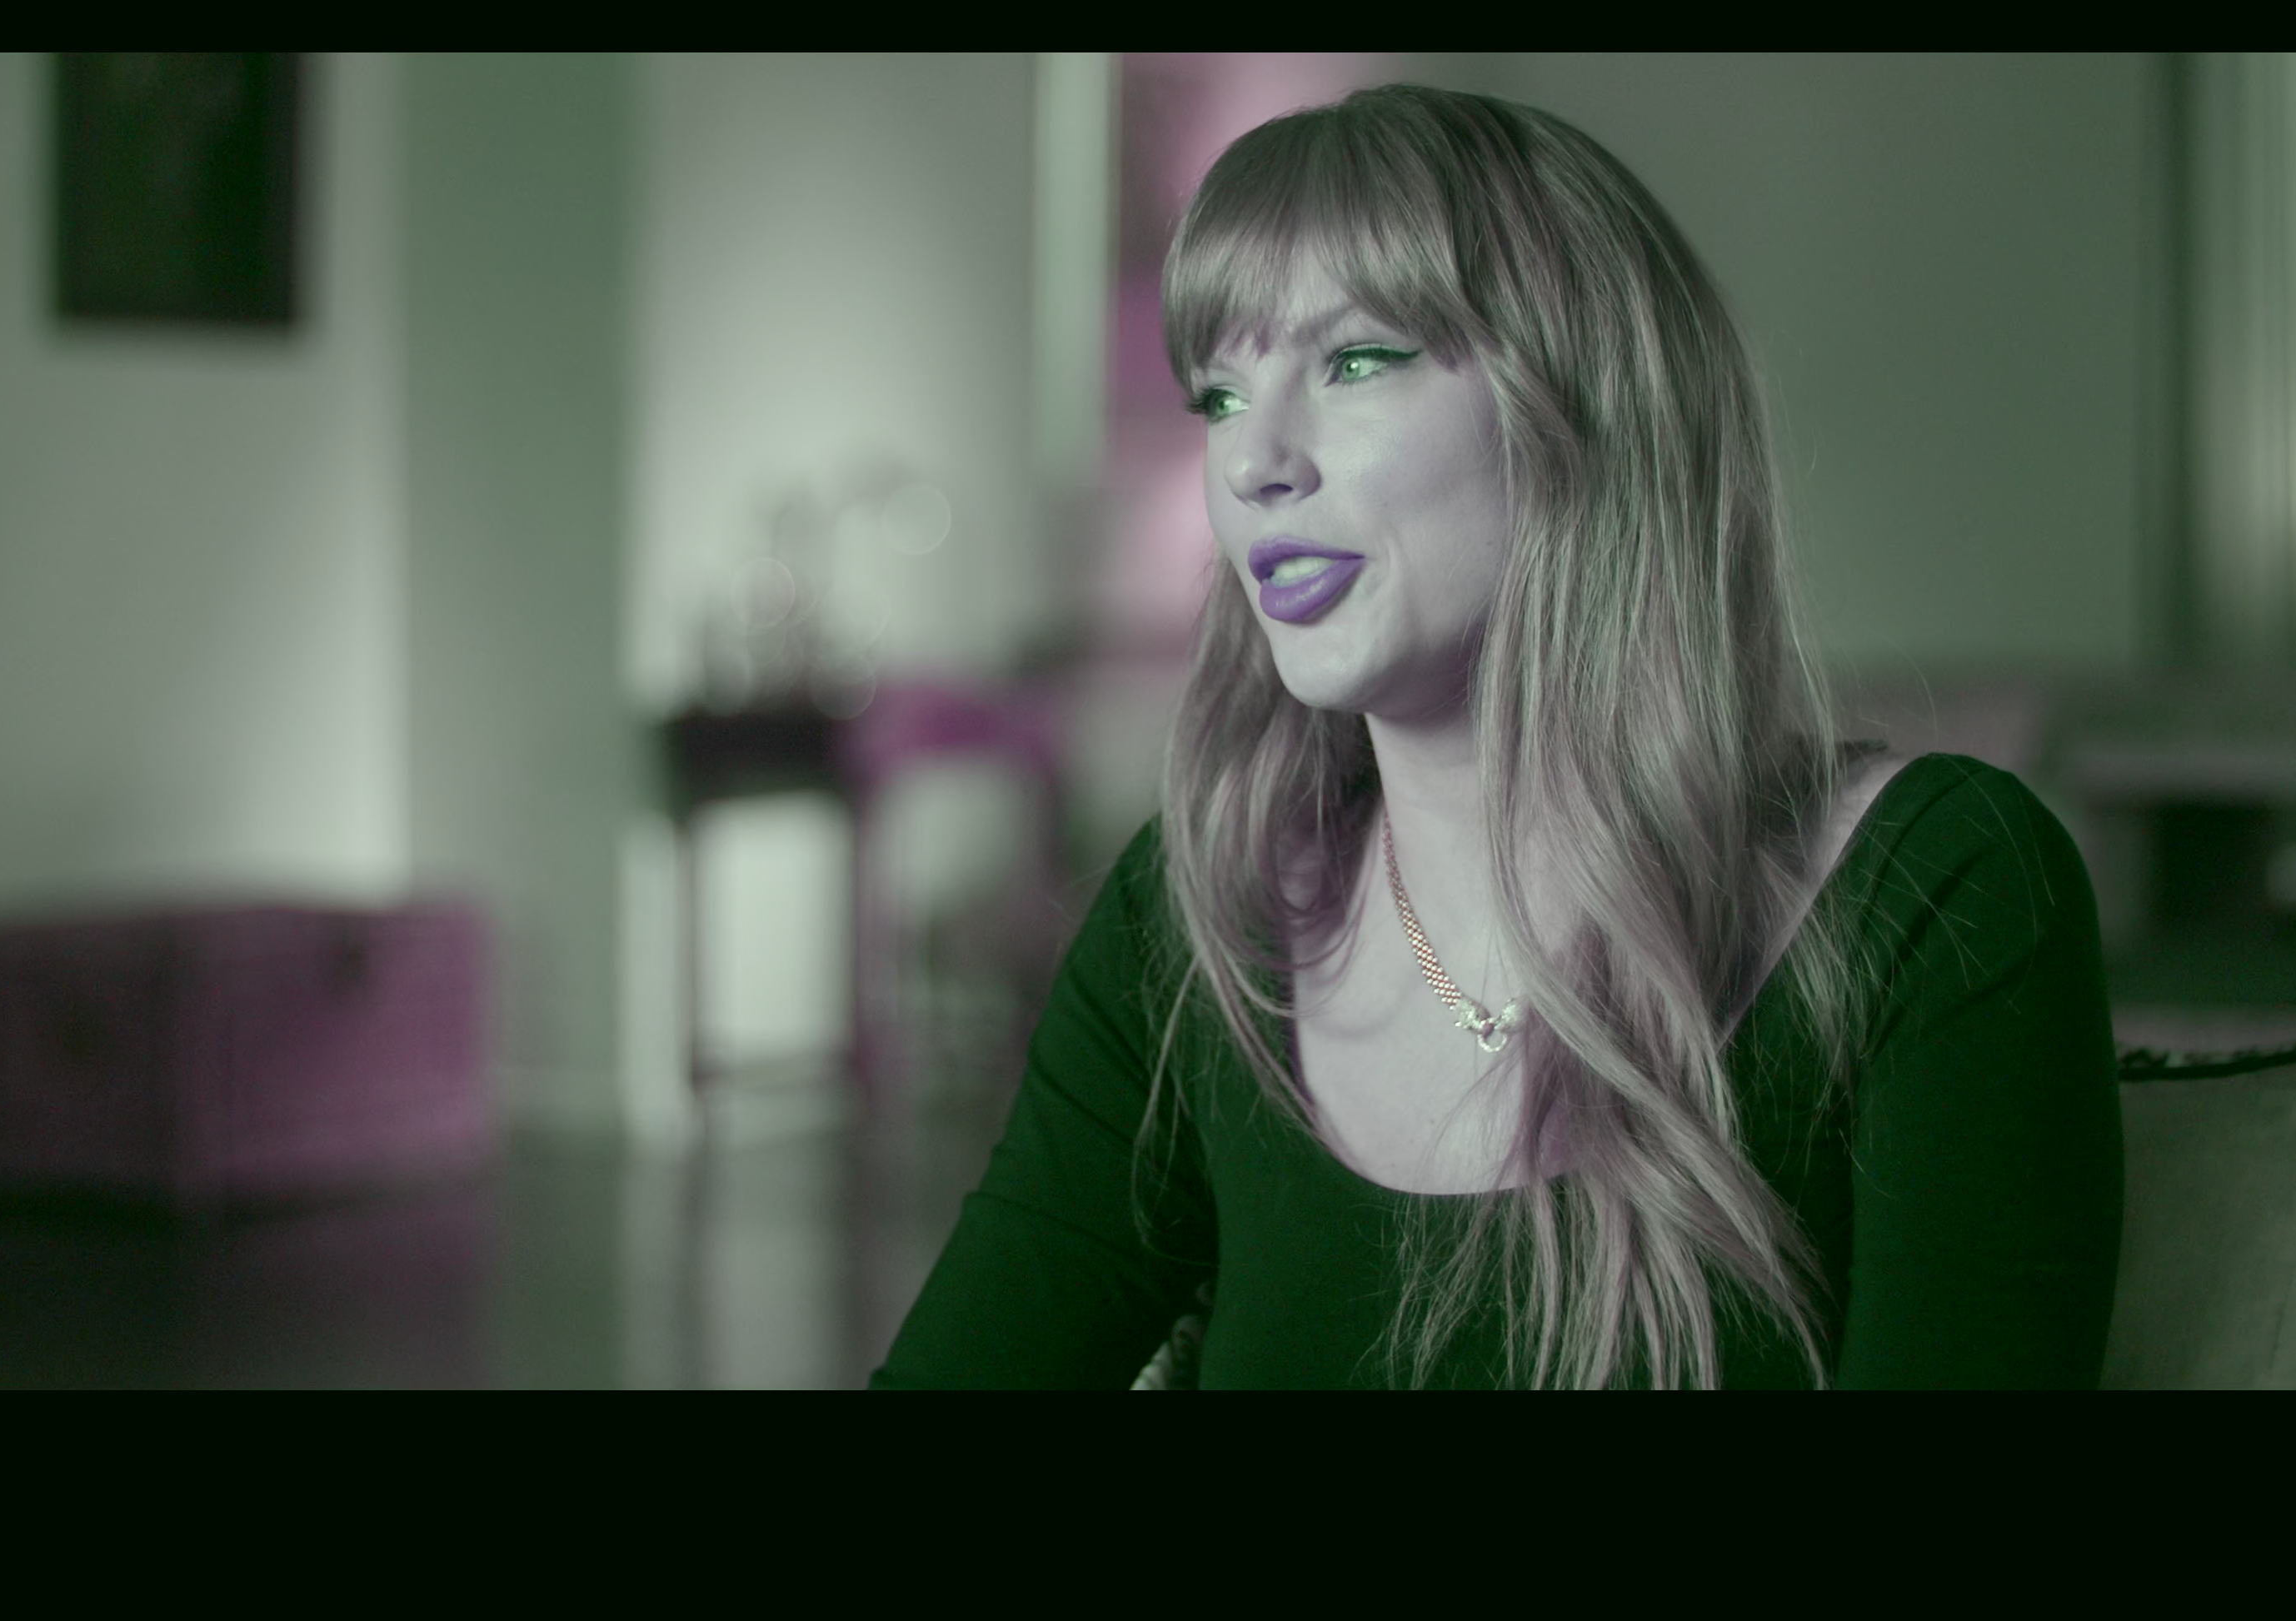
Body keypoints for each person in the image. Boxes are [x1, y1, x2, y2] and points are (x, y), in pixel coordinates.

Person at [874, 85, 2120, 1389]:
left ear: (1586, 404)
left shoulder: (1943, 890)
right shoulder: (1195, 929)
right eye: (1220, 397)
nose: (1253, 464)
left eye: (1357, 361)